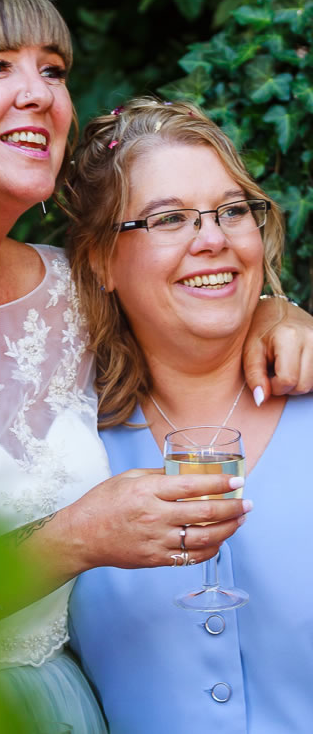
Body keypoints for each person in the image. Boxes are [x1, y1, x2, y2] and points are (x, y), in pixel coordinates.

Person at [0, 0, 312, 732]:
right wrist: (77, 538)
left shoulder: (67, 291)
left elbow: (189, 291)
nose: (40, 93)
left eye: (53, 70)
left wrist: (281, 312)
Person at [66, 97, 313, 733]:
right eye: (169, 219)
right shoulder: (67, 445)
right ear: (100, 260)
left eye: (233, 210)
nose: (213, 239)